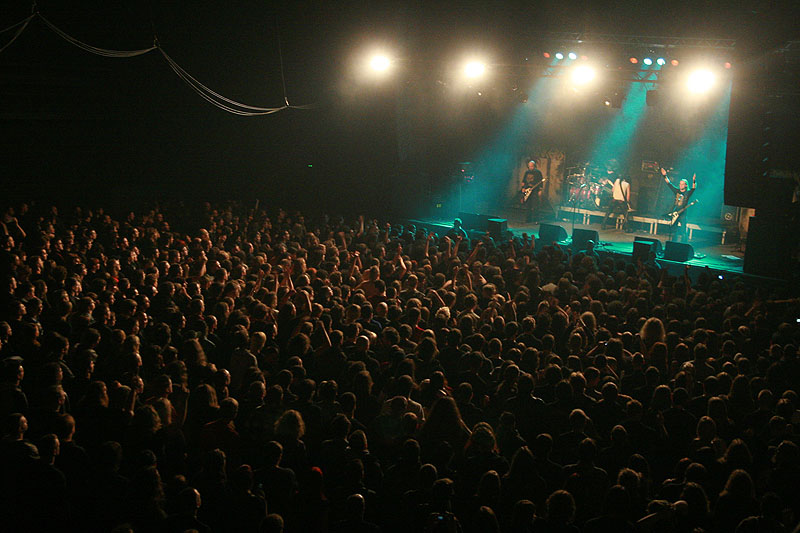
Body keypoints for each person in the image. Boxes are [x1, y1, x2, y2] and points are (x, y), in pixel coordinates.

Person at [661, 167, 697, 242]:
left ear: (685, 185)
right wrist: (665, 175)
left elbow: (693, 188)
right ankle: (673, 243)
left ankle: (684, 243)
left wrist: (694, 180)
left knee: (683, 230)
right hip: (675, 212)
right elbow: (669, 184)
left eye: (682, 184)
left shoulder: (687, 193)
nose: (680, 185)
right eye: (680, 184)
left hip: (683, 213)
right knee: (674, 230)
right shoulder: (677, 191)